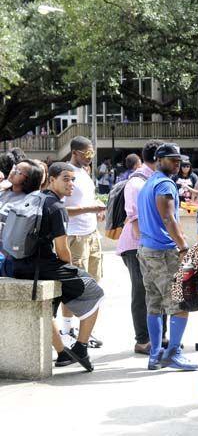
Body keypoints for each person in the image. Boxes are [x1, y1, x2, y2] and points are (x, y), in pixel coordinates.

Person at [5, 162, 104, 372]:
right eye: (65, 179)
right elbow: (62, 251)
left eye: (73, 180)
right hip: (41, 267)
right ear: (51, 180)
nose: (71, 185)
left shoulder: (33, 197)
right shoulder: (57, 207)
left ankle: (62, 355)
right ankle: (81, 347)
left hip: (18, 265)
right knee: (95, 291)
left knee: (49, 307)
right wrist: (71, 270)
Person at [137, 143, 197, 371]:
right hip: (164, 251)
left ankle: (155, 354)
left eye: (179, 160)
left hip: (146, 249)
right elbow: (169, 218)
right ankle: (173, 352)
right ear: (159, 159)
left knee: (154, 304)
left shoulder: (148, 183)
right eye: (172, 160)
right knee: (180, 302)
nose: (177, 164)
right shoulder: (163, 185)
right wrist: (183, 249)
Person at [116, 140, 164, 355]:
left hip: (149, 243)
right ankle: (143, 340)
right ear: (158, 159)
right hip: (136, 245)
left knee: (156, 290)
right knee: (141, 291)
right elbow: (134, 217)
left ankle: (158, 336)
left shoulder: (153, 179)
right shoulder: (137, 182)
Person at [61, 136, 106, 347]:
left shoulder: (85, 174)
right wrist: (91, 209)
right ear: (75, 152)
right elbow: (61, 209)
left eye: (92, 153)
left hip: (91, 234)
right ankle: (67, 329)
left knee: (93, 284)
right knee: (74, 285)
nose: (90, 157)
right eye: (87, 153)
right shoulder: (65, 173)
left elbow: (84, 201)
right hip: (75, 235)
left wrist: (96, 209)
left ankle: (85, 329)